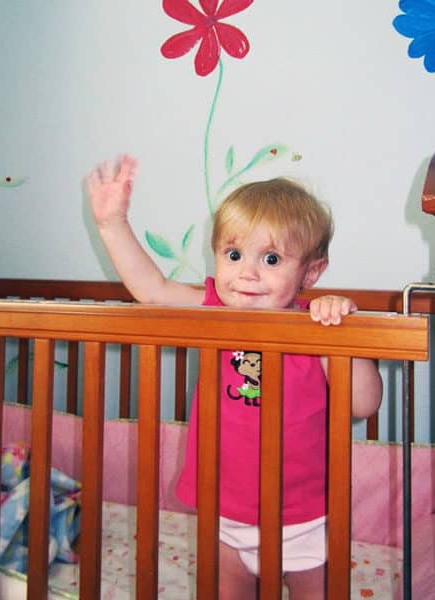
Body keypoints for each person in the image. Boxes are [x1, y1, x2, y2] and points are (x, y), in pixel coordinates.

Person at [85, 154, 383, 600]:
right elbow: (152, 290)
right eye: (234, 253)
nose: (247, 272)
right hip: (225, 514)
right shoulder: (213, 313)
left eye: (271, 258)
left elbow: (364, 405)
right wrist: (112, 223)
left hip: (304, 518)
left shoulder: (314, 329)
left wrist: (344, 335)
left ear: (311, 272)